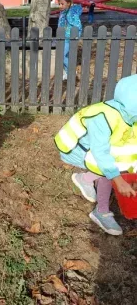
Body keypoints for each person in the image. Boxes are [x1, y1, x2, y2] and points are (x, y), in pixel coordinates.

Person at [54, 74, 137, 236]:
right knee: (107, 173)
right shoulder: (103, 117)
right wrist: (118, 179)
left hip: (94, 149)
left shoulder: (131, 115)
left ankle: (84, 179)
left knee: (114, 168)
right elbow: (101, 154)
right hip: (76, 148)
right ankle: (101, 212)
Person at [58, 0, 82, 80]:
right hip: (64, 37)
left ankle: (71, 71)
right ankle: (68, 72)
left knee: (62, 55)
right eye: (59, 4)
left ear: (68, 3)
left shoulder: (72, 13)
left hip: (69, 38)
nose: (60, 6)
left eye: (62, 4)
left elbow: (77, 26)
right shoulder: (63, 13)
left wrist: (76, 36)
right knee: (64, 55)